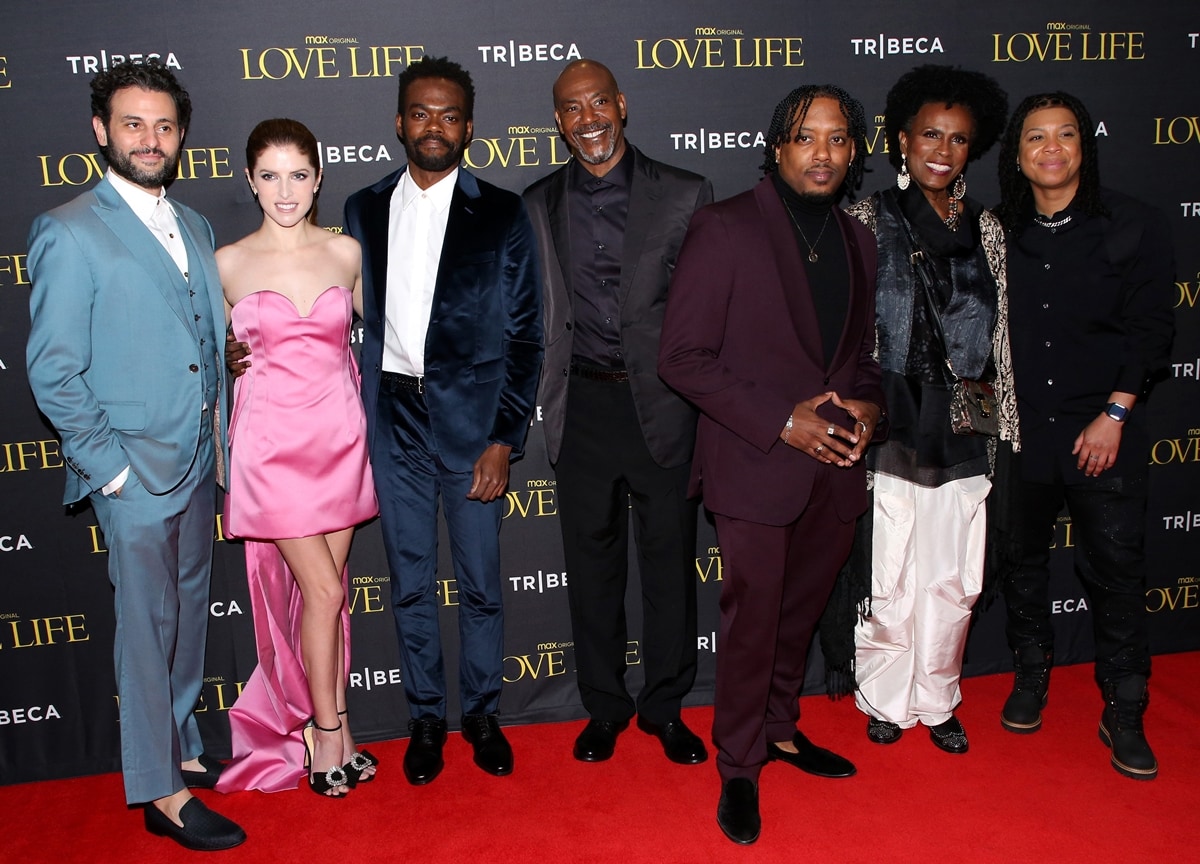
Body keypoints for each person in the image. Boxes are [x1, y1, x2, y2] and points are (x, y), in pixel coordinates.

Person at [25, 59, 245, 850]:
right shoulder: (68, 229)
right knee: (145, 631)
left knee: (185, 620)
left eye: (162, 125)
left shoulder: (193, 224)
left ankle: (179, 747)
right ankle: (159, 792)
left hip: (193, 467)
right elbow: (53, 368)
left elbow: (203, 347)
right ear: (100, 132)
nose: (149, 139)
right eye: (132, 124)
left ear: (180, 135)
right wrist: (109, 467)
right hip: (134, 475)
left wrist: (218, 446)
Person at [659, 85, 885, 845]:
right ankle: (739, 764)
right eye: (805, 138)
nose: (822, 154)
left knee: (800, 611)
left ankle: (782, 729)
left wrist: (869, 410)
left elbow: (859, 360)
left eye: (837, 139)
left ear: (854, 152)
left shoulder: (860, 239)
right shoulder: (724, 229)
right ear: (778, 146)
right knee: (754, 621)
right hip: (756, 462)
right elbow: (681, 356)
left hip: (837, 466)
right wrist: (780, 420)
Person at [344, 56, 543, 785]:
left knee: (482, 581)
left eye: (449, 114)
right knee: (409, 582)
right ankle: (426, 717)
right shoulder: (361, 208)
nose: (435, 126)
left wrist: (504, 437)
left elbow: (527, 334)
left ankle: (482, 714)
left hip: (473, 423)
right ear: (400, 123)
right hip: (394, 416)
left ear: (469, 126)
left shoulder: (502, 210)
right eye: (421, 113)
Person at [522, 59, 713, 765]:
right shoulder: (537, 202)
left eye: (598, 102)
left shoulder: (687, 193)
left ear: (622, 105)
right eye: (572, 109)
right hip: (582, 406)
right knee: (591, 568)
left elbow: (707, 313)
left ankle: (666, 708)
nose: (588, 119)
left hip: (663, 407)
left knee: (669, 565)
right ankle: (603, 705)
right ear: (559, 122)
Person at [995, 92, 1174, 779]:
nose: (1051, 147)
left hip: (1105, 431)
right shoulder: (999, 231)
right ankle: (1031, 677)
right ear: (1016, 155)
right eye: (1035, 136)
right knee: (1023, 565)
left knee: (1117, 575)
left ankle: (1124, 709)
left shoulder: (1134, 224)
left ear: (1083, 146)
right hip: (1023, 435)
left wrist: (1117, 414)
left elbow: (1154, 330)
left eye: (1065, 134)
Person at [844, 65, 1017, 755]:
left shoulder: (989, 229)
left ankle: (938, 695)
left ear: (972, 150)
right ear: (902, 141)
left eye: (958, 139)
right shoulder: (867, 218)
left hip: (966, 420)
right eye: (929, 135)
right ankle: (885, 696)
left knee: (955, 576)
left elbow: (1003, 340)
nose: (942, 150)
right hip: (889, 415)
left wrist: (1009, 425)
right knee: (889, 571)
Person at [214, 119, 379, 797]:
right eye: (271, 176)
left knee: (324, 601)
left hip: (340, 439)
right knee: (326, 590)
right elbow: (199, 357)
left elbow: (383, 343)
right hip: (271, 449)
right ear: (250, 181)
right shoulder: (225, 262)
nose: (286, 190)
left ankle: (322, 725)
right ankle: (328, 732)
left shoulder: (347, 253)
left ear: (319, 177)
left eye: (299, 175)